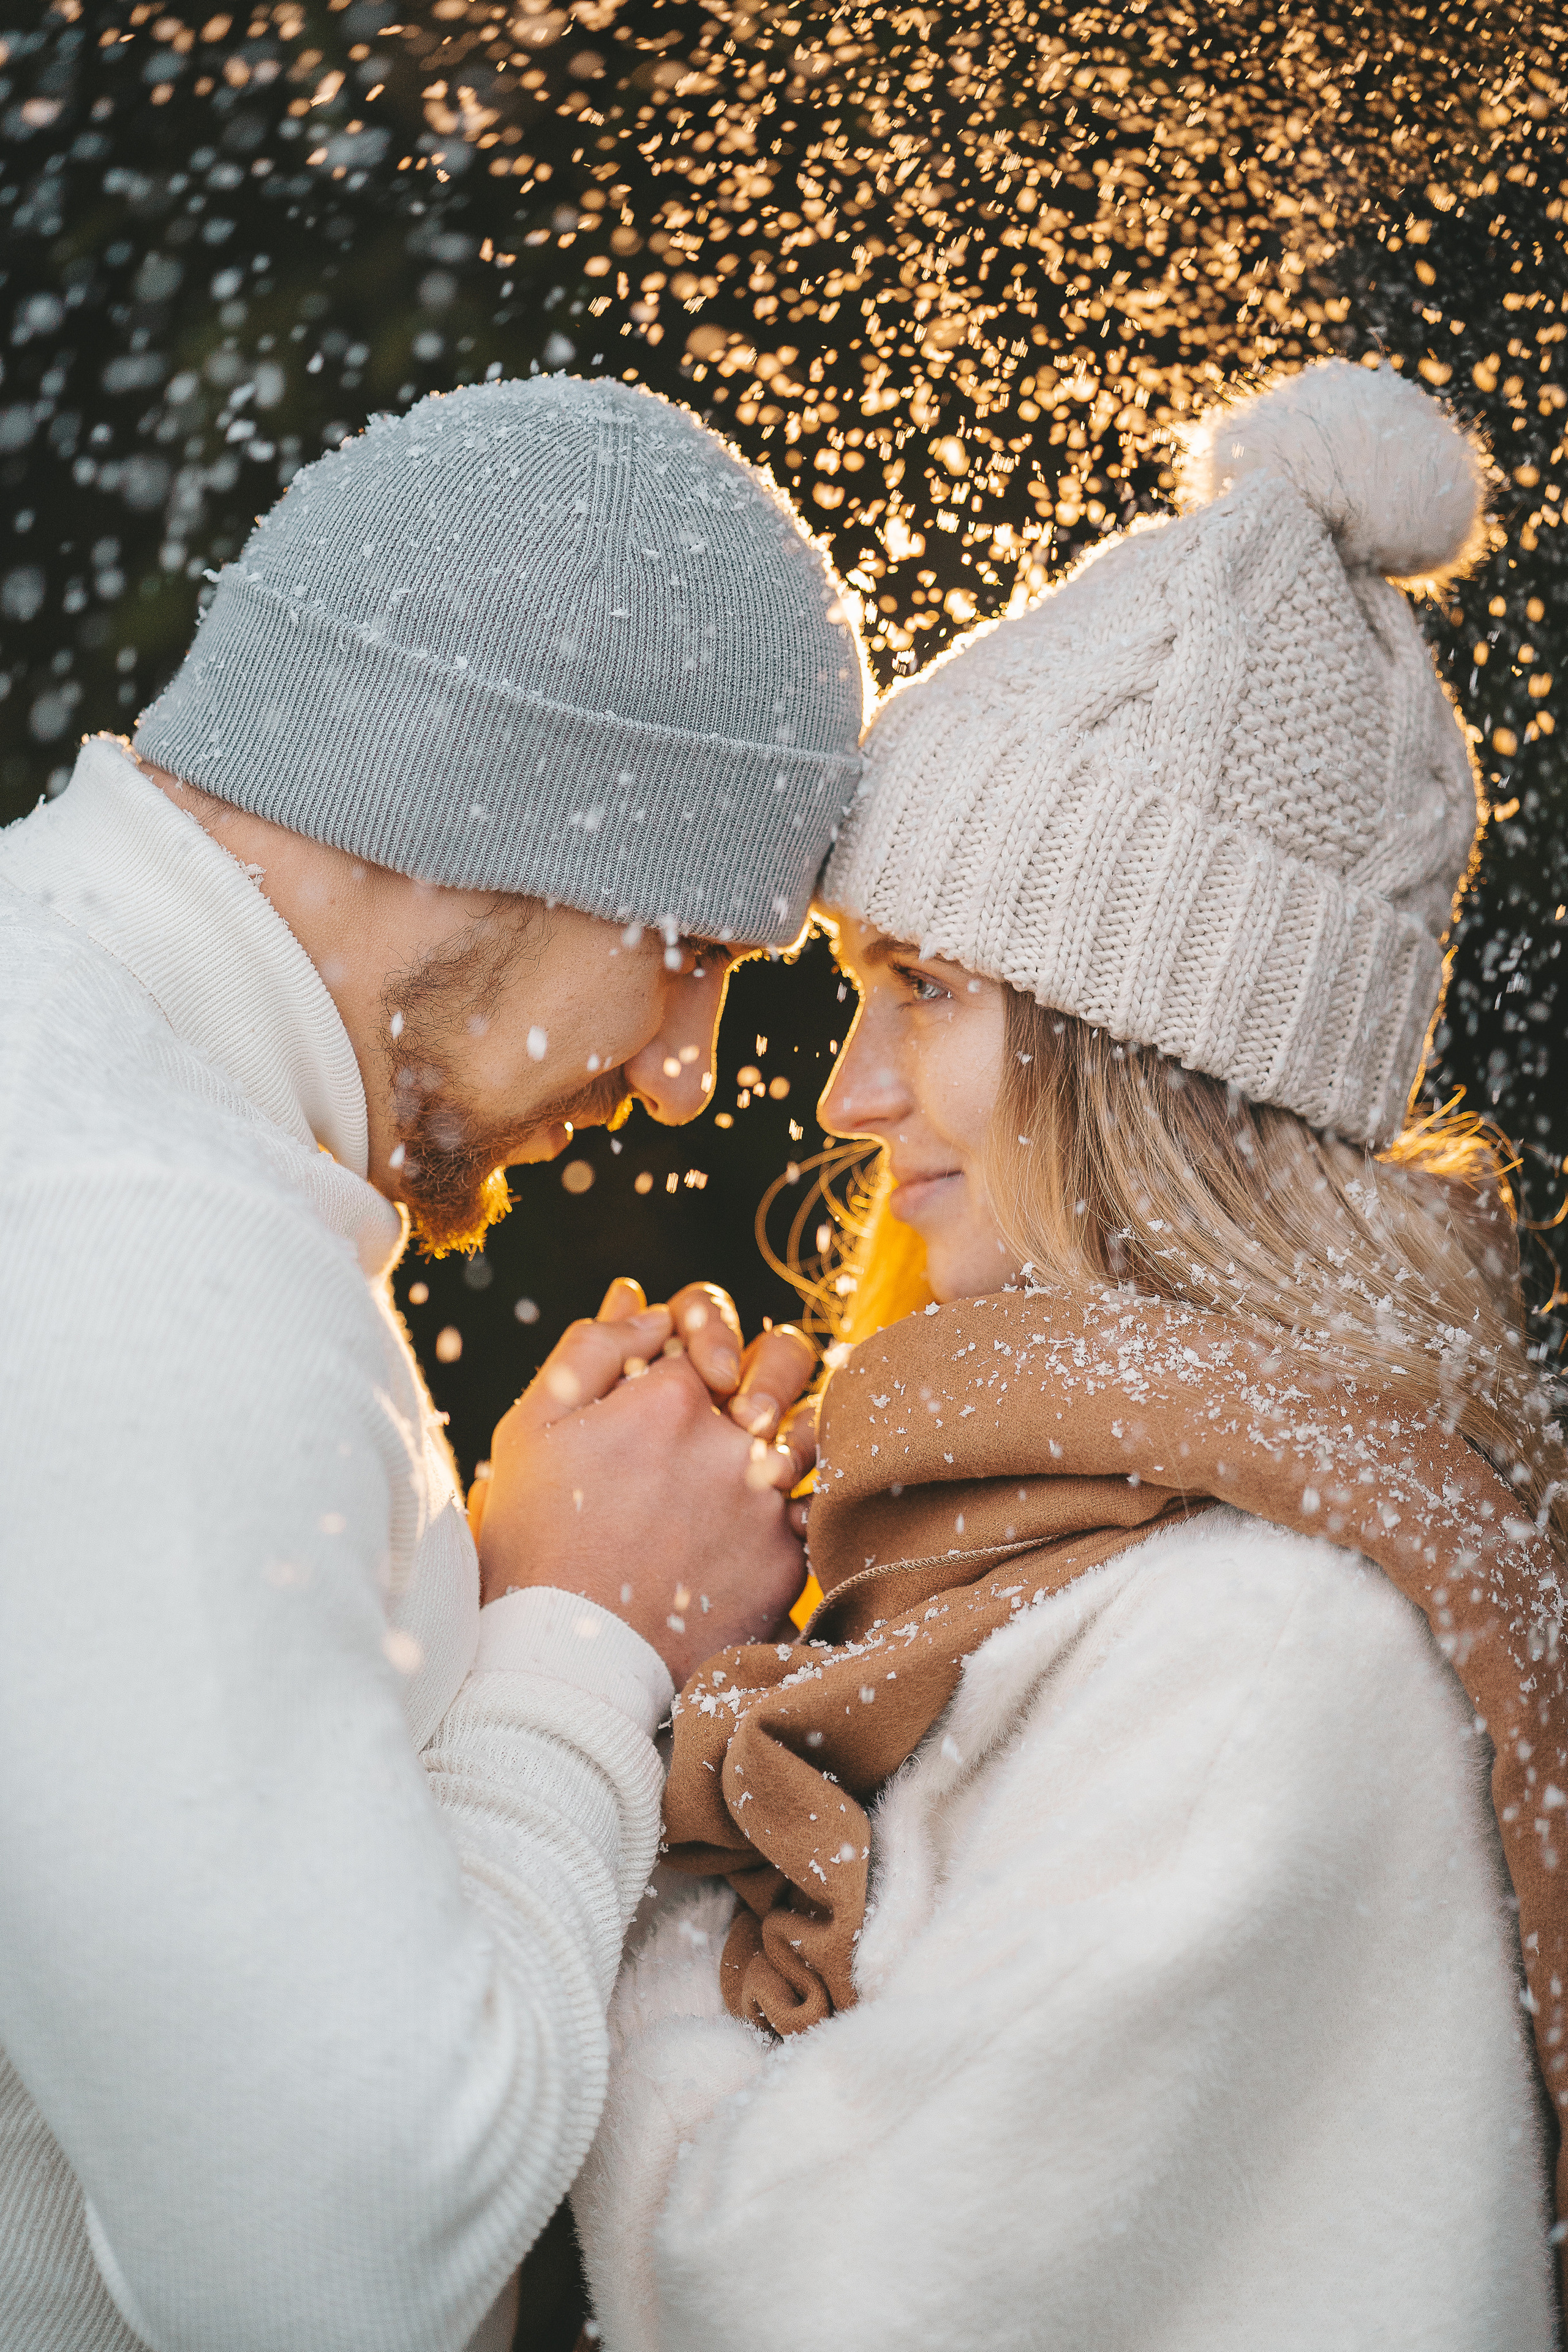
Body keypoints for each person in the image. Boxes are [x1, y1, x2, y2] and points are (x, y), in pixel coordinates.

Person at [571, 359, 1566, 2350]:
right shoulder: (1084, 1556)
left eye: (925, 991)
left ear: (1144, 1063)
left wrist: (615, 1724)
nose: (850, 1093)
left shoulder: (1259, 1646)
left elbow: (794, 2299)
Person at [0, 374, 868, 2351]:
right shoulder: (141, 1244)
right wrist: (585, 1631)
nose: (682, 1074)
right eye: (695, 951)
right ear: (484, 824)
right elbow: (336, 2270)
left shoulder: (87, 1094)